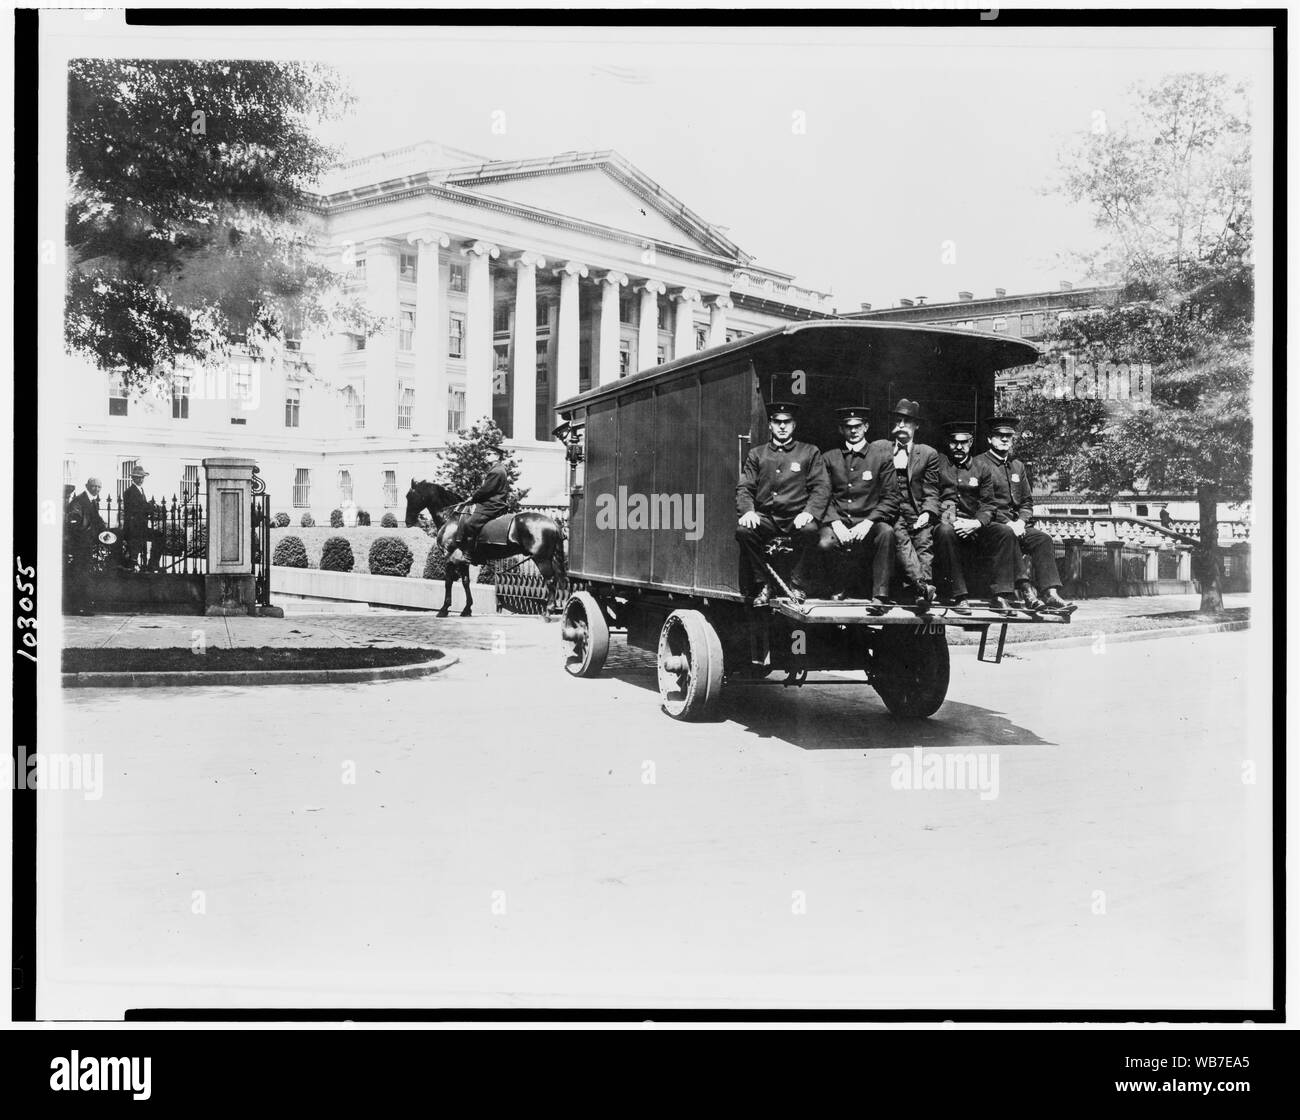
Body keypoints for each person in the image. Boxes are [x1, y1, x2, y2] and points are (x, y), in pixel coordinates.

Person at [974, 416, 1074, 611]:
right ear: (989, 439)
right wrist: (1009, 523)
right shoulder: (979, 463)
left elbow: (1027, 501)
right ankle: (1027, 591)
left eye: (1009, 436)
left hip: (1016, 526)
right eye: (1000, 435)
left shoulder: (1017, 465)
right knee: (1007, 533)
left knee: (1042, 539)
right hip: (991, 527)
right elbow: (979, 503)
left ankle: (1050, 593)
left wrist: (1021, 521)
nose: (1004, 440)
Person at [735, 400, 829, 606]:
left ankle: (797, 583)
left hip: (796, 517)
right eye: (777, 422)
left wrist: (809, 512)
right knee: (744, 531)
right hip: (767, 518)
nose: (783, 426)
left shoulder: (809, 452)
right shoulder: (757, 454)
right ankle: (764, 584)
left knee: (810, 530)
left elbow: (821, 487)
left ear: (794, 425)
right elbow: (745, 488)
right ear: (770, 424)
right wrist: (748, 511)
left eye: (787, 422)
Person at [814, 406, 898, 603]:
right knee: (825, 542)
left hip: (869, 520)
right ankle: (837, 586)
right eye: (847, 426)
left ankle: (880, 594)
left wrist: (869, 522)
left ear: (866, 427)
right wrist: (835, 522)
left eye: (858, 426)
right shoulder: (829, 457)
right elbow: (821, 495)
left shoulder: (881, 457)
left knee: (886, 533)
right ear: (841, 429)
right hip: (839, 519)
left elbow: (891, 498)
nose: (853, 431)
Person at [887, 398, 942, 605]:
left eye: (907, 421)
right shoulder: (882, 449)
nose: (901, 426)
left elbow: (931, 490)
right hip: (891, 509)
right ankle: (923, 586)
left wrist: (927, 513)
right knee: (899, 536)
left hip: (916, 509)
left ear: (916, 425)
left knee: (924, 538)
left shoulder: (927, 453)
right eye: (898, 421)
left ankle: (923, 593)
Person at [933, 420, 989, 609]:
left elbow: (988, 504)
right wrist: (952, 519)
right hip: (945, 522)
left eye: (963, 442)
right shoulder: (939, 463)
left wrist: (977, 523)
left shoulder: (981, 468)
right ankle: (960, 596)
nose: (958, 447)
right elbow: (930, 494)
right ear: (947, 443)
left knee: (1002, 532)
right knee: (945, 531)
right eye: (953, 442)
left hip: (973, 525)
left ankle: (1003, 593)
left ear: (971, 443)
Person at [448, 445, 512, 564]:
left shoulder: (496, 471)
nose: (486, 457)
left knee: (470, 524)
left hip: (492, 504)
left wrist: (473, 498)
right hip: (493, 502)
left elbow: (486, 490)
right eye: (486, 454)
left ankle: (470, 555)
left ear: (497, 456)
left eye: (489, 454)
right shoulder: (498, 468)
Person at [65, 477, 108, 613]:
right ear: (87, 486)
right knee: (80, 574)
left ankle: (81, 605)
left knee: (83, 573)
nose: (96, 489)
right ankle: (79, 606)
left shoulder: (92, 501)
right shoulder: (79, 501)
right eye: (94, 486)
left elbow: (96, 519)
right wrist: (86, 535)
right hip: (80, 544)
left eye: (99, 487)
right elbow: (74, 522)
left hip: (87, 544)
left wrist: (105, 530)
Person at [122, 465, 164, 571]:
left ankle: (153, 564)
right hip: (133, 529)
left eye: (142, 477)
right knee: (135, 549)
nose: (140, 480)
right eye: (137, 477)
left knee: (159, 536)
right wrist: (150, 507)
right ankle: (136, 564)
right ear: (133, 478)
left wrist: (152, 507)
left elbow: (143, 506)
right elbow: (138, 508)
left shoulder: (141, 490)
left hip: (141, 527)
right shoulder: (129, 492)